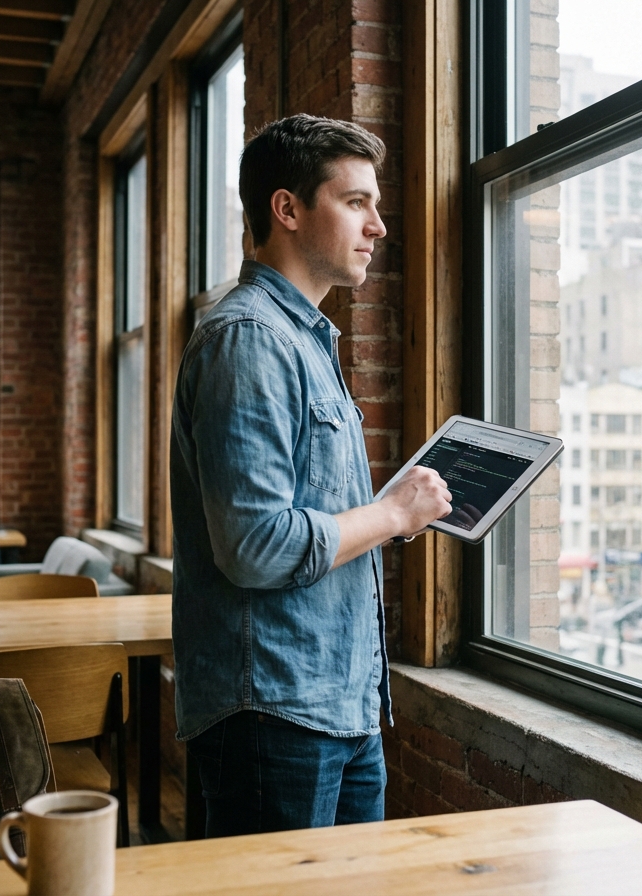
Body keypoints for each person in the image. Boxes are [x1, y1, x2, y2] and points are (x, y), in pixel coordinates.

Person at [170, 114, 452, 838]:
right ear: (287, 209)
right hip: (273, 711)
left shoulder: (304, 340)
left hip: (340, 703)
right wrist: (389, 515)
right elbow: (257, 544)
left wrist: (401, 513)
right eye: (356, 202)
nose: (378, 226)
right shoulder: (250, 341)